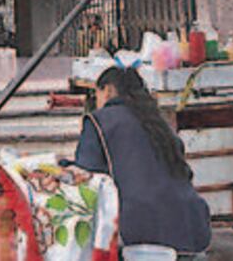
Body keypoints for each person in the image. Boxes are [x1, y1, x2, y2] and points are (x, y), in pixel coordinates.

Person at [74, 66, 211, 256]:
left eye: (95, 94)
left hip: (139, 233)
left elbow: (84, 174)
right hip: (191, 227)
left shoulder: (99, 121)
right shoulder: (158, 122)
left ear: (108, 90)